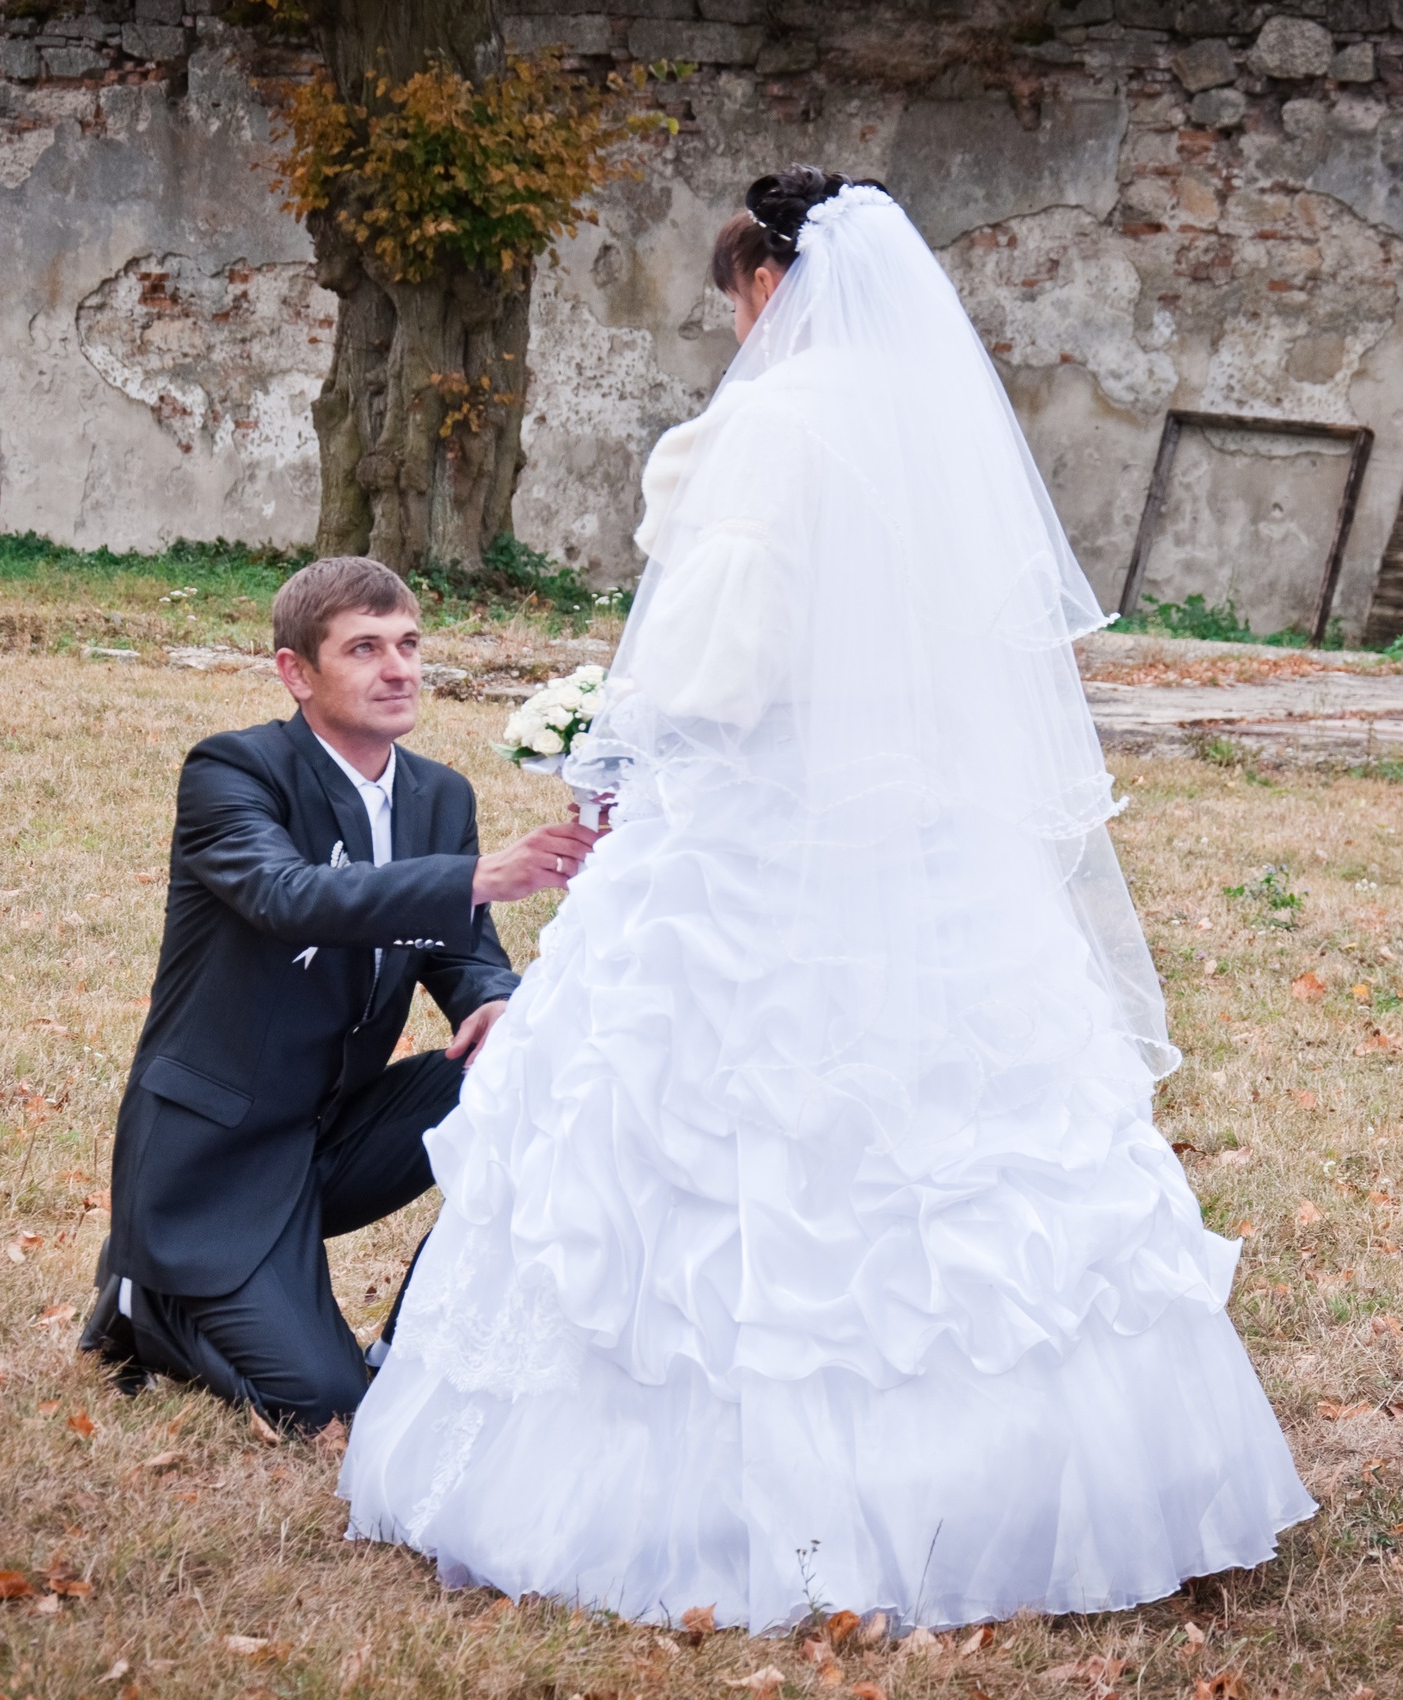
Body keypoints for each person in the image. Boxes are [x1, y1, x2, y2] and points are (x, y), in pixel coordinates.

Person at [338, 170, 1313, 1629]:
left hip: (752, 841)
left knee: (707, 1136)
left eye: (738, 302)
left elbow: (721, 670)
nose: (742, 329)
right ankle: (1021, 1499)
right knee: (953, 1158)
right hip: (923, 838)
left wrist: (618, 741)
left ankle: (699, 1512)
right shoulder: (932, 431)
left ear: (766, 284)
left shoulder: (772, 423)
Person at [78, 556, 601, 1432]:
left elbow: (460, 949)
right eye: (364, 648)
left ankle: (416, 1338)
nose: (399, 669)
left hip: (340, 1131)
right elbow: (286, 896)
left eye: (408, 645)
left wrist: (493, 999)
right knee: (321, 1403)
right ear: (297, 672)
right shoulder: (234, 771)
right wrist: (478, 875)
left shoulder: (441, 794)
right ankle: (144, 1301)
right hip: (218, 1156)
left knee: (534, 1057)